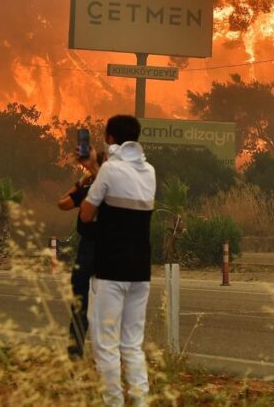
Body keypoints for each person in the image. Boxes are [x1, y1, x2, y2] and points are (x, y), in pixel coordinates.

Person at [80, 115, 156, 407]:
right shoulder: (149, 171)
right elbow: (118, 186)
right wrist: (97, 167)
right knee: (132, 345)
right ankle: (140, 401)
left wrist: (91, 170)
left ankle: (113, 402)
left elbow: (87, 213)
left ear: (110, 139)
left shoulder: (109, 170)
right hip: (140, 272)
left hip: (110, 271)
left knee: (105, 344)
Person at [57, 146, 103, 359]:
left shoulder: (115, 190)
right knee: (80, 301)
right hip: (88, 248)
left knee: (109, 302)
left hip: (107, 247)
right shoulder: (88, 191)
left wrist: (92, 167)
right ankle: (75, 350)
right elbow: (62, 203)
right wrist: (80, 183)